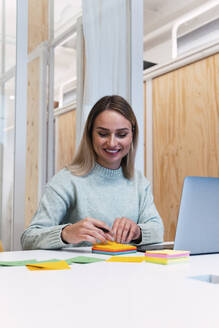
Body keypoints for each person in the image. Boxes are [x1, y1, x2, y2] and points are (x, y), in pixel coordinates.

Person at [21, 95, 164, 250]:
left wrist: (138, 232)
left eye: (121, 134)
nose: (112, 143)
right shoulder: (67, 180)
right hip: (79, 272)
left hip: (128, 270)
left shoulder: (139, 182)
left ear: (132, 136)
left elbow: (157, 230)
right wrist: (66, 233)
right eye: (103, 134)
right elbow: (29, 238)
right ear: (90, 135)